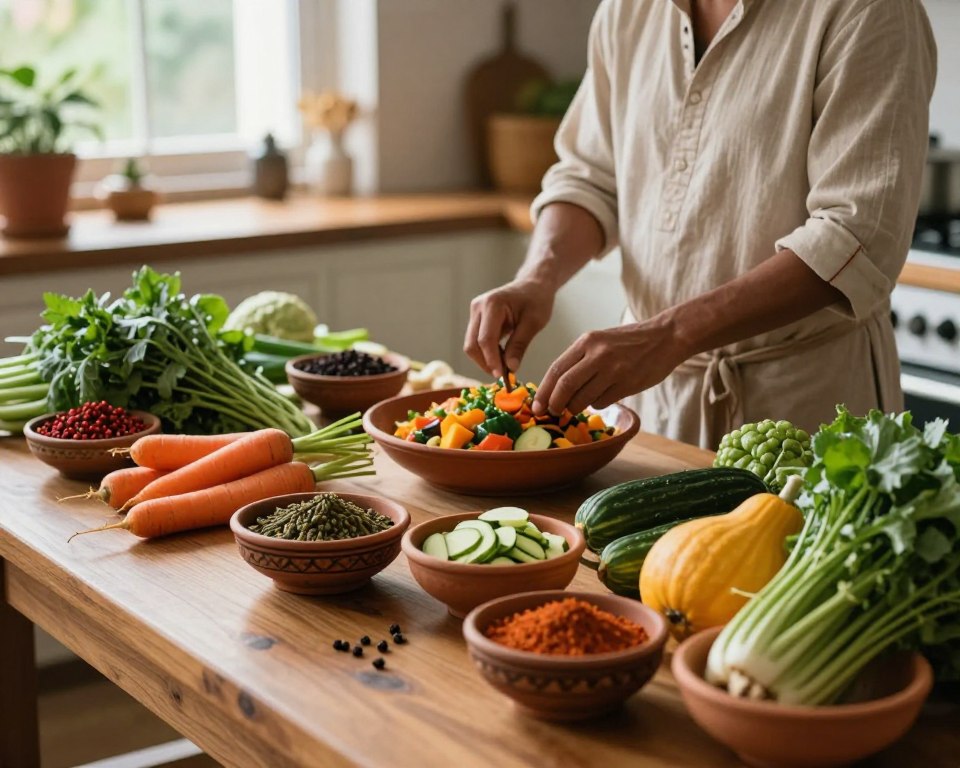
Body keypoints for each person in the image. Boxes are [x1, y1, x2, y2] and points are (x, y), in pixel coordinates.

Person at [463, 0, 937, 448]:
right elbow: (590, 176)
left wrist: (671, 335)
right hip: (649, 406)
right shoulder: (630, 9)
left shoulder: (870, 10)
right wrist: (537, 278)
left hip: (803, 408)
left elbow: (854, 237)